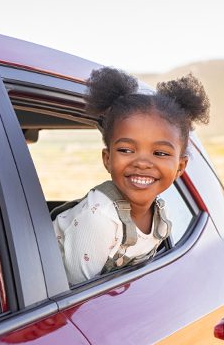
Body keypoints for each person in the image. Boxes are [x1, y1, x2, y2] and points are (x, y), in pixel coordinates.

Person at [52, 67, 210, 284]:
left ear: (180, 167)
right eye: (126, 150)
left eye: (160, 153)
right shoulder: (99, 220)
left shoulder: (159, 214)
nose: (142, 163)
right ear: (107, 159)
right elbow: (78, 297)